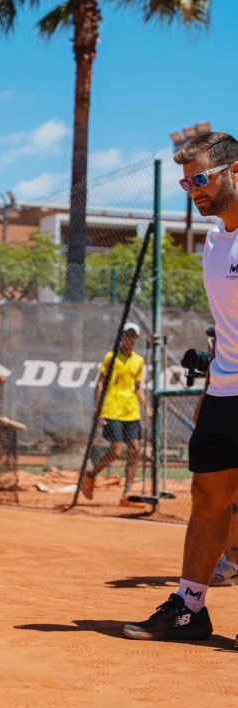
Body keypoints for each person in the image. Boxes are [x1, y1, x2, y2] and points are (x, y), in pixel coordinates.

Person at [123, 130, 238, 641]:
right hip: (224, 391)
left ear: (235, 171)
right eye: (185, 180)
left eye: (201, 177)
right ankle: (190, 607)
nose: (192, 188)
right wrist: (213, 382)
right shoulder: (214, 242)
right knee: (207, 495)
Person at [80, 321, 147, 505]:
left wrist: (146, 406)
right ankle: (90, 476)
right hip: (112, 409)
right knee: (116, 451)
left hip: (131, 411)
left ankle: (128, 493)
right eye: (128, 335)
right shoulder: (111, 357)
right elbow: (100, 383)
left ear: (137, 339)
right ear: (122, 336)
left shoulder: (139, 361)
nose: (130, 339)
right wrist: (98, 408)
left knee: (134, 449)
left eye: (134, 336)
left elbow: (138, 387)